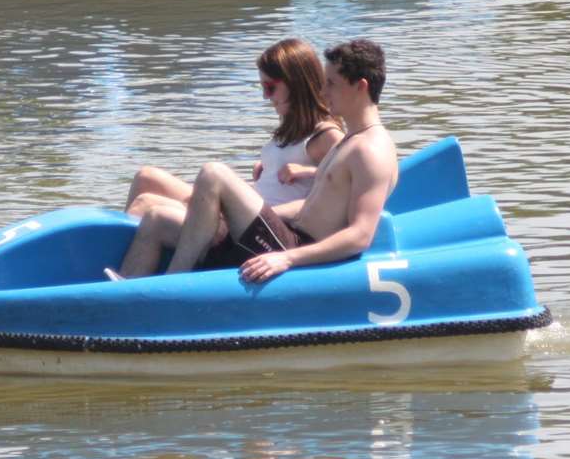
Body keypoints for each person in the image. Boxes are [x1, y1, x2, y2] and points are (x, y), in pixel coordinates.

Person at [117, 38, 397, 284]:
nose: (323, 92)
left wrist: (287, 259)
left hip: (293, 245)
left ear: (361, 87)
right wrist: (232, 210)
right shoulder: (351, 140)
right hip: (282, 233)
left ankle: (170, 288)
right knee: (155, 219)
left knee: (214, 173)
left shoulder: (370, 150)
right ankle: (123, 296)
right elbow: (311, 205)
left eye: (331, 84)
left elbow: (361, 235)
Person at [122, 38, 341, 220]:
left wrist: (310, 171)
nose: (265, 96)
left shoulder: (326, 135)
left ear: (296, 84)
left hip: (249, 220)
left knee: (146, 203)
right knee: (146, 177)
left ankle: (124, 266)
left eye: (270, 87)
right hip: (245, 201)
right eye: (263, 87)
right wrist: (269, 166)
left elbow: (354, 178)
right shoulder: (291, 128)